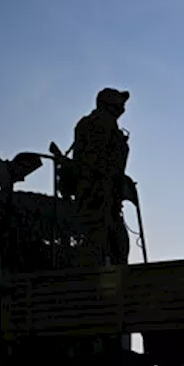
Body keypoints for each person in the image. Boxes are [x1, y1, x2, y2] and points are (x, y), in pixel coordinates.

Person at [71, 87, 132, 267]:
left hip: (104, 196)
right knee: (103, 244)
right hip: (98, 195)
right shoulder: (101, 122)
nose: (123, 108)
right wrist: (107, 184)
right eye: (119, 102)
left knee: (115, 242)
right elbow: (96, 161)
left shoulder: (99, 122)